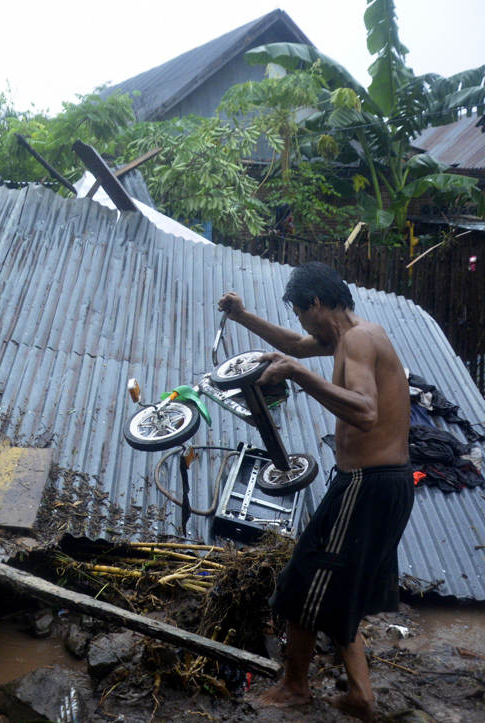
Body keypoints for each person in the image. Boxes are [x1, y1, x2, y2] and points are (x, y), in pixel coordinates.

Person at [219, 262, 412, 722]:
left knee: (302, 581)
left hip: (367, 485)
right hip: (380, 484)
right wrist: (244, 317)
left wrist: (299, 376)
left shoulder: (361, 339)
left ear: (318, 304)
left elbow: (365, 411)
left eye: (303, 314)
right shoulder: (345, 338)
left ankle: (295, 686)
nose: (303, 325)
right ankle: (361, 697)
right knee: (338, 588)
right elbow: (295, 347)